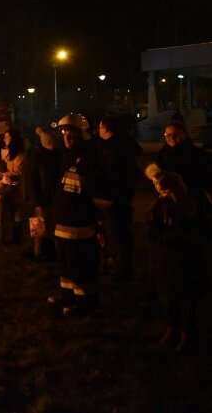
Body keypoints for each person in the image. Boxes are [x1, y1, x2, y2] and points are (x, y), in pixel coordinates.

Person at [145, 164, 205, 353]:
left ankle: (187, 335)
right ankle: (172, 330)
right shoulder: (159, 206)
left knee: (186, 298)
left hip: (186, 259)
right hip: (167, 259)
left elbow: (202, 227)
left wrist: (183, 237)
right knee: (170, 297)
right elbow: (151, 232)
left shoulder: (191, 204)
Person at [47, 113, 101, 317]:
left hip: (80, 222)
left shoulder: (89, 157)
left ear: (82, 135)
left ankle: (84, 301)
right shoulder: (65, 155)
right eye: (64, 133)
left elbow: (94, 188)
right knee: (65, 263)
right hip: (63, 220)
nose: (66, 137)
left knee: (80, 264)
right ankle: (68, 296)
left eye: (71, 134)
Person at [95, 115, 142, 280]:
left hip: (113, 197)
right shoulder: (125, 146)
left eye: (100, 127)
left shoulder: (111, 149)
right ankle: (121, 264)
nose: (98, 131)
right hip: (124, 195)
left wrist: (104, 192)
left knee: (116, 232)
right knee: (121, 230)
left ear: (107, 129)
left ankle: (122, 268)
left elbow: (110, 173)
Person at [155, 121, 212, 238]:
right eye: (167, 135)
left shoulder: (197, 155)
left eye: (174, 135)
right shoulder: (162, 155)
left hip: (192, 200)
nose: (170, 138)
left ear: (184, 134)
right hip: (168, 201)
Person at [29, 127, 61, 262]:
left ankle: (53, 252)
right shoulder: (37, 158)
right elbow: (33, 181)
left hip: (54, 197)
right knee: (39, 226)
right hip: (42, 198)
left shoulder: (57, 155)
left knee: (54, 225)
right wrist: (37, 202)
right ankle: (37, 252)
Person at [1, 128, 27, 245]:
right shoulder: (9, 155)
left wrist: (5, 175)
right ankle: (13, 236)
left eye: (7, 137)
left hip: (18, 189)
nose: (4, 139)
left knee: (18, 213)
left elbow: (16, 173)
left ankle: (18, 239)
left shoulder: (20, 157)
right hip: (10, 188)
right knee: (12, 212)